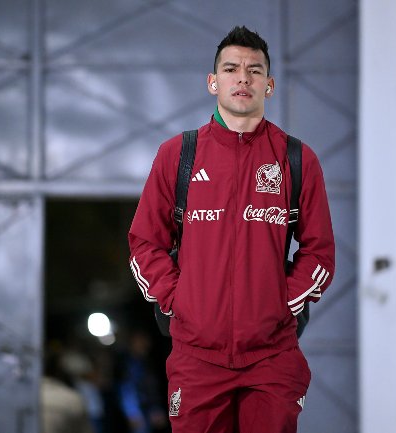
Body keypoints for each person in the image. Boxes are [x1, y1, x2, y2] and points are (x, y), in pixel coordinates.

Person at [127, 25, 335, 433]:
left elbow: (320, 252)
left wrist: (280, 303)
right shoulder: (178, 155)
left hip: (272, 357)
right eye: (231, 69)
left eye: (255, 70)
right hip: (196, 357)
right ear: (213, 82)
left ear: (269, 85)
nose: (243, 78)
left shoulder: (297, 159)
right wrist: (179, 300)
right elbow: (144, 243)